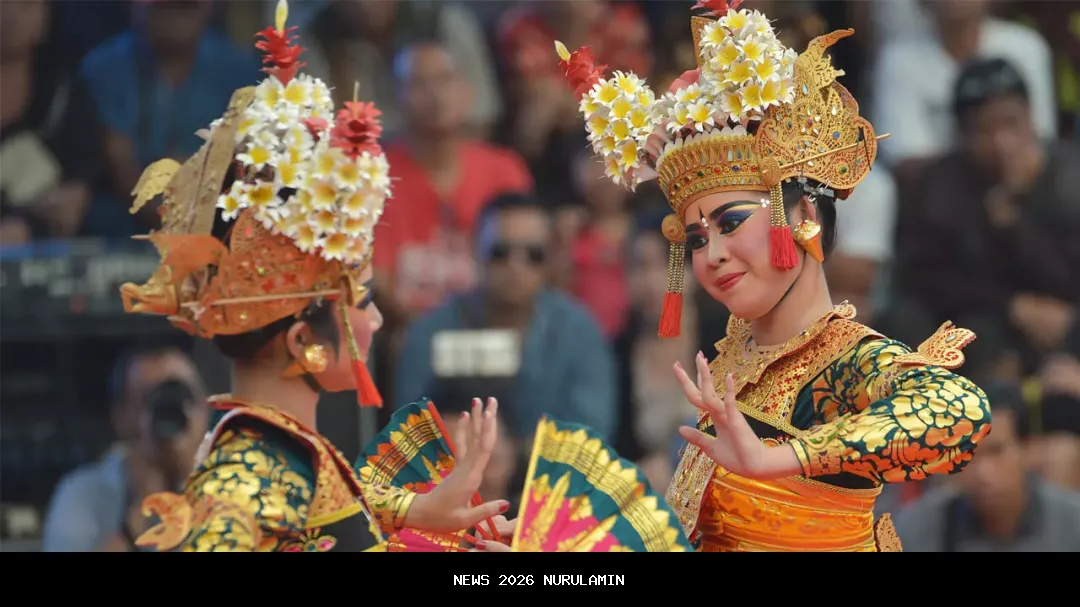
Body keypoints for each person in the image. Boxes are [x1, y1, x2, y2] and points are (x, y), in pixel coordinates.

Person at [543, 0, 991, 552]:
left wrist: (776, 458)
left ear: (802, 217)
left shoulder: (846, 360)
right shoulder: (734, 360)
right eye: (698, 239)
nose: (712, 255)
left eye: (732, 223)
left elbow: (958, 411)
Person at [117, 0, 506, 552]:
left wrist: (418, 511)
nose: (374, 318)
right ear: (307, 343)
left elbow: (324, 504)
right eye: (359, 301)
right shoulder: (243, 481)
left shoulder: (282, 447)